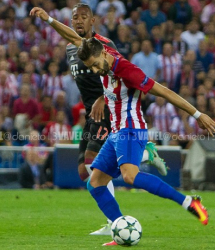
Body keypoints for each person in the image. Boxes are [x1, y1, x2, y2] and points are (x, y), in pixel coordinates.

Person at [30, 7, 215, 246]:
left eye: (97, 66)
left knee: (130, 176)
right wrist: (48, 20)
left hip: (132, 128)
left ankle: (190, 202)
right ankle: (121, 228)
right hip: (116, 132)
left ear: (103, 53)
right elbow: (74, 38)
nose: (97, 71)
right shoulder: (96, 50)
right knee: (94, 183)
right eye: (92, 68)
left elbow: (165, 91)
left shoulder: (129, 71)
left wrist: (197, 113)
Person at [58, 3, 169, 236]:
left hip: (109, 108)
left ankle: (114, 223)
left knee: (92, 161)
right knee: (84, 171)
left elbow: (115, 74)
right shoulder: (71, 48)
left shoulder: (105, 44)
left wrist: (101, 98)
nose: (78, 21)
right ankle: (147, 152)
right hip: (91, 113)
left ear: (92, 21)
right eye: (74, 17)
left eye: (83, 17)